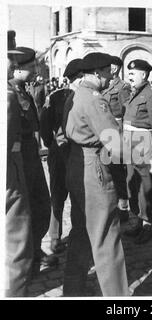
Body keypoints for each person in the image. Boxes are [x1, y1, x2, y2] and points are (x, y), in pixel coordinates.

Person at [62, 52, 129, 296]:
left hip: (76, 163)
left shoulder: (75, 94)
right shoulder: (95, 100)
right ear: (98, 73)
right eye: (109, 73)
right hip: (95, 168)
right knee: (106, 236)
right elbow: (116, 145)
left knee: (80, 232)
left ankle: (73, 289)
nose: (111, 78)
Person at [9, 46, 58, 275]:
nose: (36, 72)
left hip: (31, 154)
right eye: (31, 67)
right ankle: (23, 259)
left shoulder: (24, 90)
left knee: (41, 202)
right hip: (18, 158)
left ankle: (35, 249)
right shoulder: (8, 93)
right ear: (17, 69)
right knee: (23, 208)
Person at [40, 58, 83, 254]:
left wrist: (53, 146)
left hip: (68, 153)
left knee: (68, 195)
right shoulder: (60, 96)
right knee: (61, 196)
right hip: (66, 154)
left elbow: (44, 128)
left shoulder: (64, 96)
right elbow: (44, 126)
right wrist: (54, 146)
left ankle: (64, 238)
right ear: (78, 77)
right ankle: (59, 239)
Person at [123, 59, 152, 244]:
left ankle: (148, 224)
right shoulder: (134, 94)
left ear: (145, 75)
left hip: (143, 145)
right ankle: (137, 220)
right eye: (129, 74)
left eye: (133, 74)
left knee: (146, 187)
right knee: (133, 185)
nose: (130, 77)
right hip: (129, 145)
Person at [6, 30, 34, 297]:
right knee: (17, 226)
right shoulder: (9, 95)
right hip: (15, 163)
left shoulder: (21, 90)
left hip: (25, 155)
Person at [102, 55, 131, 222]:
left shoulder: (122, 87)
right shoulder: (105, 86)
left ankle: (123, 208)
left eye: (112, 66)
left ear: (117, 69)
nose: (110, 69)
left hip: (117, 132)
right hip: (106, 132)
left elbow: (127, 113)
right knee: (108, 169)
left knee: (119, 171)